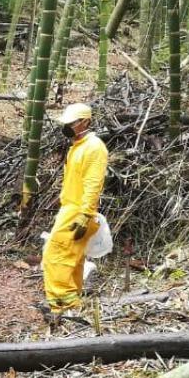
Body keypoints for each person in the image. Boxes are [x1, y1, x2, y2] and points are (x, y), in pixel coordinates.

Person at [42, 103, 107, 318]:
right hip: (71, 208)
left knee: (55, 256)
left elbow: (93, 183)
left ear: (85, 122)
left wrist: (85, 214)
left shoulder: (94, 147)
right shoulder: (77, 146)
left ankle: (60, 306)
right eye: (67, 123)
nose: (68, 126)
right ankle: (71, 304)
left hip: (78, 212)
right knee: (73, 258)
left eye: (72, 123)